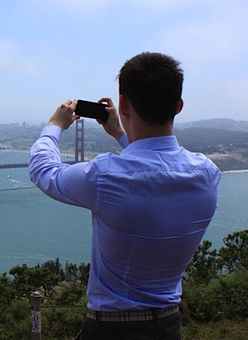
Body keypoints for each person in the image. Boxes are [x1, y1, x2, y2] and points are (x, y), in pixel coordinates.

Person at [29, 52, 221, 340]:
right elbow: (155, 166)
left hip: (109, 330)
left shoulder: (104, 175)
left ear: (124, 104)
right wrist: (121, 133)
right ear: (178, 106)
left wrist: (54, 126)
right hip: (169, 327)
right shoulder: (207, 174)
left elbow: (44, 171)